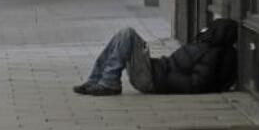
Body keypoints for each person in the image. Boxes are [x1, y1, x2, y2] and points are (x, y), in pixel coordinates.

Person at [74, 19, 238, 96]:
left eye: (214, 30)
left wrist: (165, 76)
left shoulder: (213, 54)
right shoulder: (203, 45)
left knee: (128, 34)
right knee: (121, 36)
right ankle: (95, 80)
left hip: (153, 79)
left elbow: (196, 84)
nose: (207, 31)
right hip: (155, 70)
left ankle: (109, 83)